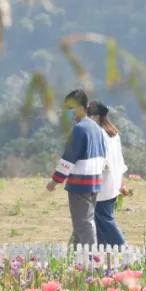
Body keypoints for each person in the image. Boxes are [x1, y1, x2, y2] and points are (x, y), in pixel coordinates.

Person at [46, 89, 106, 246]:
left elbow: (68, 159)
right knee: (82, 224)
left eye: (70, 108)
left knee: (84, 224)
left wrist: (54, 181)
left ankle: (92, 260)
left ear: (80, 107)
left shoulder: (79, 129)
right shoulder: (97, 129)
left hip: (80, 185)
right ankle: (73, 259)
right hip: (95, 183)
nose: (69, 113)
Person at [87, 100, 130, 247]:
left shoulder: (98, 134)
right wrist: (122, 183)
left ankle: (123, 247)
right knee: (101, 221)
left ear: (96, 117)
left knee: (105, 220)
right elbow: (120, 161)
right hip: (112, 184)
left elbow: (101, 162)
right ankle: (102, 253)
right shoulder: (113, 134)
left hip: (101, 185)